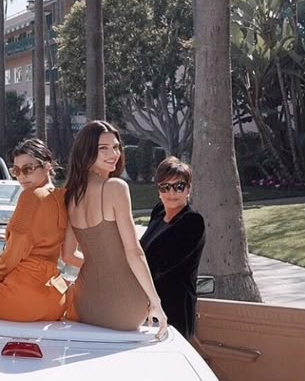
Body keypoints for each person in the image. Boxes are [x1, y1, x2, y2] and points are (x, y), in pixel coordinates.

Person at [62, 120, 168, 337]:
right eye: (103, 148)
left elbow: (67, 255)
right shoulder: (116, 187)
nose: (114, 154)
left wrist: (100, 265)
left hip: (85, 303)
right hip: (124, 307)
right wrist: (155, 302)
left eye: (116, 146)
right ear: (87, 151)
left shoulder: (70, 195)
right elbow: (134, 252)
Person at [0, 139, 70, 322]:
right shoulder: (64, 197)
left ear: (47, 166)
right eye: (16, 171)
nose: (21, 176)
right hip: (56, 298)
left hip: (23, 294)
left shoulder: (31, 196)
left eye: (28, 169)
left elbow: (14, 252)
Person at [140, 157, 206, 338]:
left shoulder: (192, 222)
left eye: (179, 186)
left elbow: (158, 265)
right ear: (158, 190)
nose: (172, 193)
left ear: (188, 189)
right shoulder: (158, 213)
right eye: (165, 187)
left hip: (174, 311)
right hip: (145, 306)